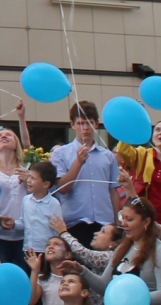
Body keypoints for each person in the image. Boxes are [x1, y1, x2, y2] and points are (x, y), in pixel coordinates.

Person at [73, 198, 161, 305]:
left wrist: (129, 300)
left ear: (146, 221)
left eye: (130, 219)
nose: (123, 224)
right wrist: (82, 271)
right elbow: (105, 287)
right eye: (123, 218)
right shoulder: (121, 249)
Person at [50, 101, 120, 246]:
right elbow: (62, 188)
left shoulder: (108, 156)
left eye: (90, 123)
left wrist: (116, 221)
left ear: (96, 124)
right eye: (81, 123)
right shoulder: (60, 153)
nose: (86, 128)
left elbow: (113, 191)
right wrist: (78, 163)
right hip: (76, 223)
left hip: (104, 223)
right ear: (72, 124)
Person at [114, 119, 161, 229]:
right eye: (157, 130)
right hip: (144, 218)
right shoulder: (142, 154)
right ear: (152, 136)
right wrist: (131, 124)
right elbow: (122, 150)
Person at [0, 118, 29, 266]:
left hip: (25, 235)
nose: (3, 136)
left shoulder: (27, 169)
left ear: (16, 144)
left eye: (8, 135)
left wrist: (29, 182)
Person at [21, 161, 62, 255]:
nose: (28, 180)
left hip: (45, 251)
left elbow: (57, 230)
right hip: (28, 249)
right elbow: (23, 222)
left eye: (33, 178)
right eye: (29, 176)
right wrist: (12, 224)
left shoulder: (53, 204)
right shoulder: (26, 200)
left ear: (45, 184)